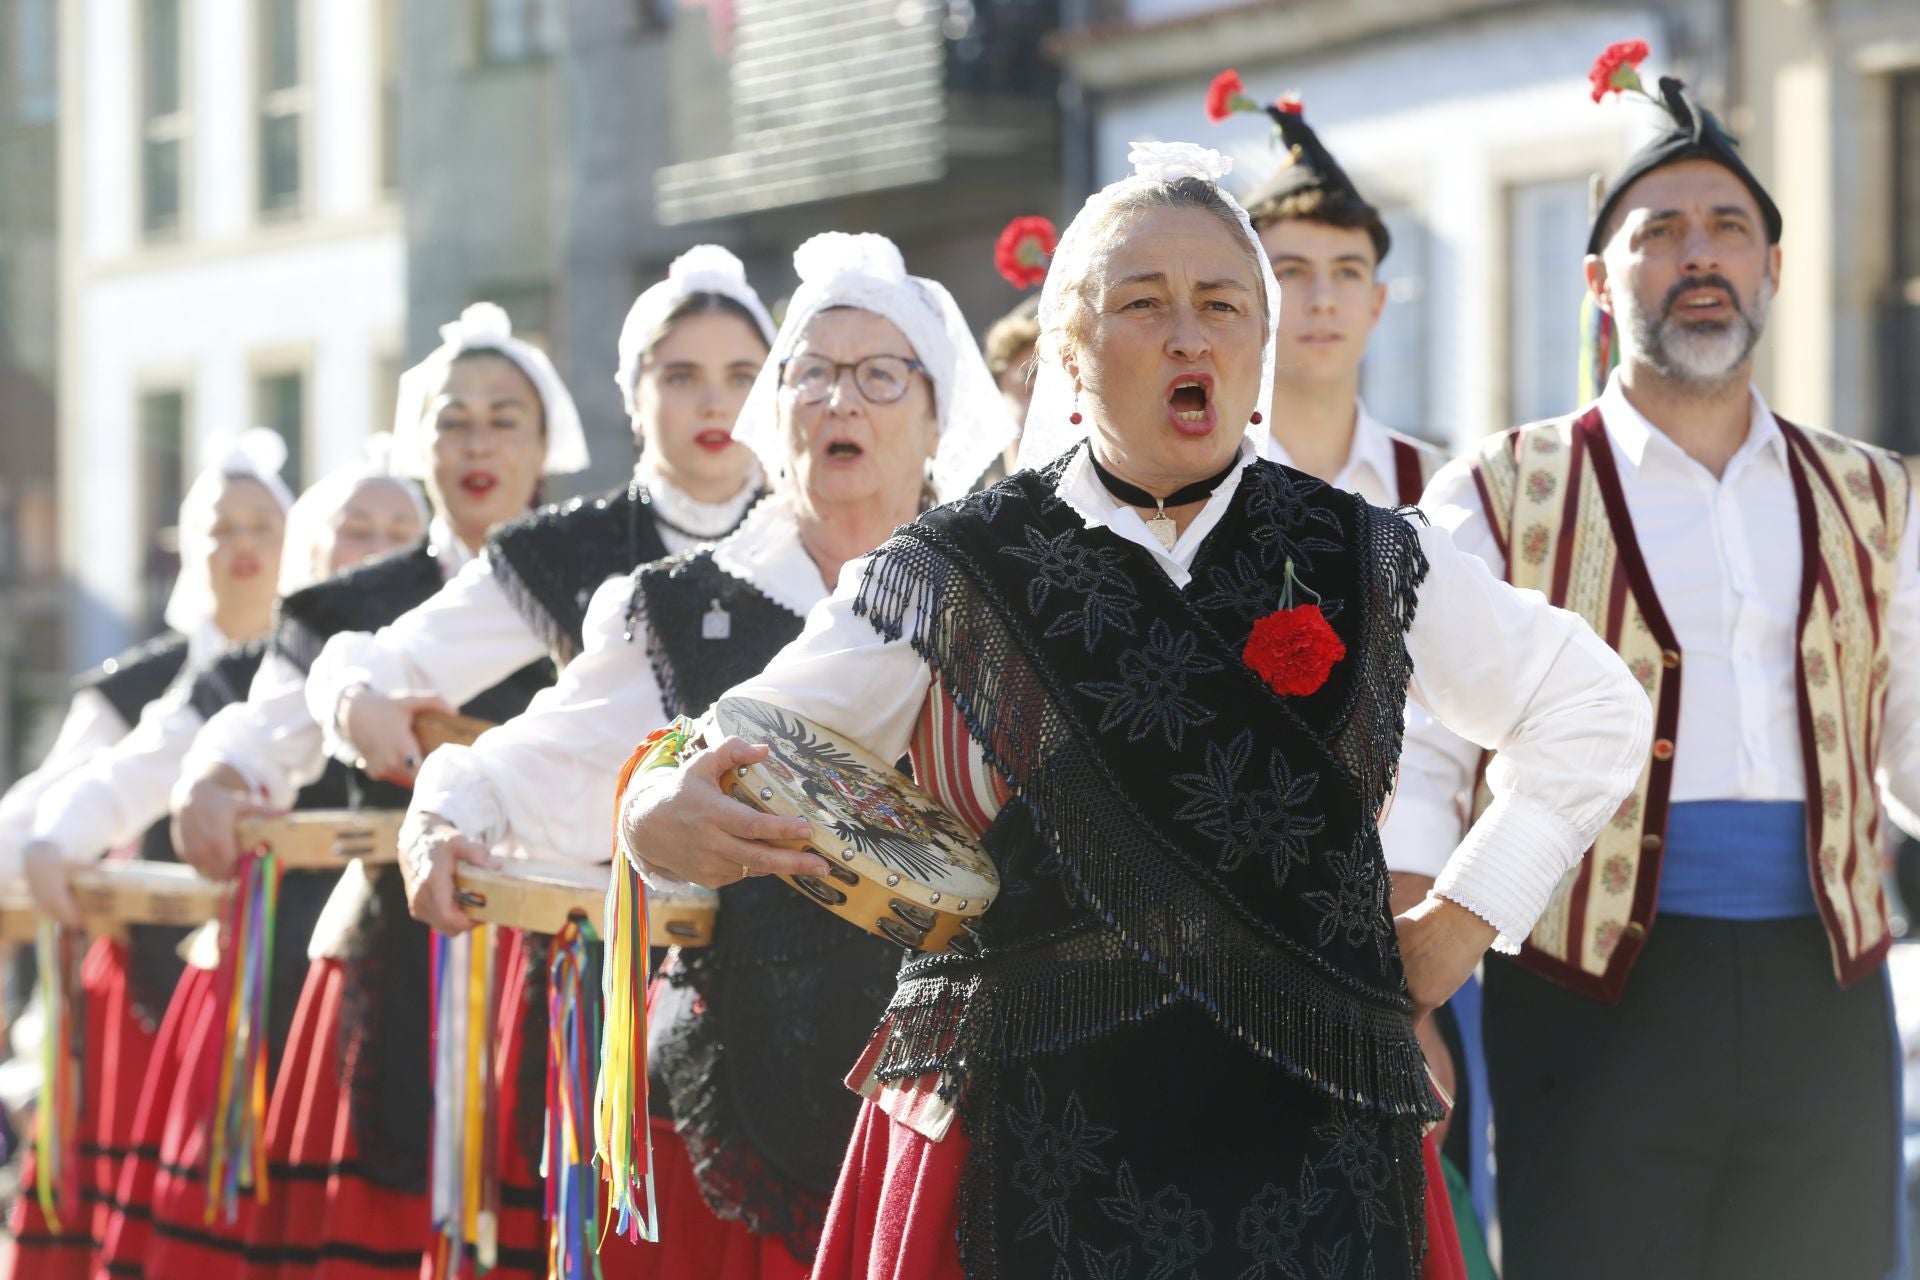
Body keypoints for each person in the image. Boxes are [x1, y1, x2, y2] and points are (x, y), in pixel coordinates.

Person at [617, 141, 1649, 1280]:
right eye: (1144, 303)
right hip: (1029, 1123)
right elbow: (741, 734)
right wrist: (661, 805)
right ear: (1068, 345)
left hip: (1307, 1130)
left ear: (1258, 346)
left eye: (1222, 304)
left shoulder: (1371, 552)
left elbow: (1591, 709)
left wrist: (1459, 924)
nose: (1190, 334)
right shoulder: (954, 565)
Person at [400, 230, 1014, 1279]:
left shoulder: (1008, 591)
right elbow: (553, 752)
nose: (838, 401)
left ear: (937, 412)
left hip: (963, 1108)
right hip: (737, 1089)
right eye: (811, 373)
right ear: (777, 413)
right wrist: (447, 810)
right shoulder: (677, 604)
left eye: (877, 374)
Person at [1400, 59, 1920, 1280]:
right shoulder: (1490, 493)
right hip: (1586, 1001)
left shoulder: (1878, 494)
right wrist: (1406, 984)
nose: (1700, 255)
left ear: (1773, 269)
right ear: (1598, 279)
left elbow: (1910, 745)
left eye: (1729, 228)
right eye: (1660, 232)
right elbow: (1419, 757)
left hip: (1828, 996)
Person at [167, 303, 582, 1280]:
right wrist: (214, 780)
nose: (477, 439)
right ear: (418, 439)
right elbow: (265, 730)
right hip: (394, 960)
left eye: (504, 417)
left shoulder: (602, 586)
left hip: (563, 959)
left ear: (545, 445)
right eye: (453, 417)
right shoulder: (345, 608)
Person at [1227, 87, 1490, 1254]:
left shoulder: (1443, 490)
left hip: (1413, 915)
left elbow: (1446, 732)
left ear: (1382, 300)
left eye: (1344, 269)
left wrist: (1409, 968)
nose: (1319, 295)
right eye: (1288, 267)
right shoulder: (1199, 482)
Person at [74, 451, 426, 1279]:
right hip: (270, 986)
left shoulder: (453, 666)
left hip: (420, 980)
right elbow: (136, 766)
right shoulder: (246, 671)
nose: (375, 550)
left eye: (398, 532)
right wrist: (51, 842)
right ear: (312, 551)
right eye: (355, 530)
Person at [306, 247, 774, 789]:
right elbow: (389, 665)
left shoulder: (816, 536)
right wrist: (352, 699)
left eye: (742, 377)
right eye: (682, 377)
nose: (715, 403)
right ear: (634, 395)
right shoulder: (567, 549)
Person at [3, 428, 293, 1280]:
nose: (240, 548)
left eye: (260, 528)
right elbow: (36, 813)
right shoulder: (136, 688)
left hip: (285, 985)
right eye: (220, 529)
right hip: (147, 991)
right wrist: (48, 855)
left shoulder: (312, 677)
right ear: (185, 550)